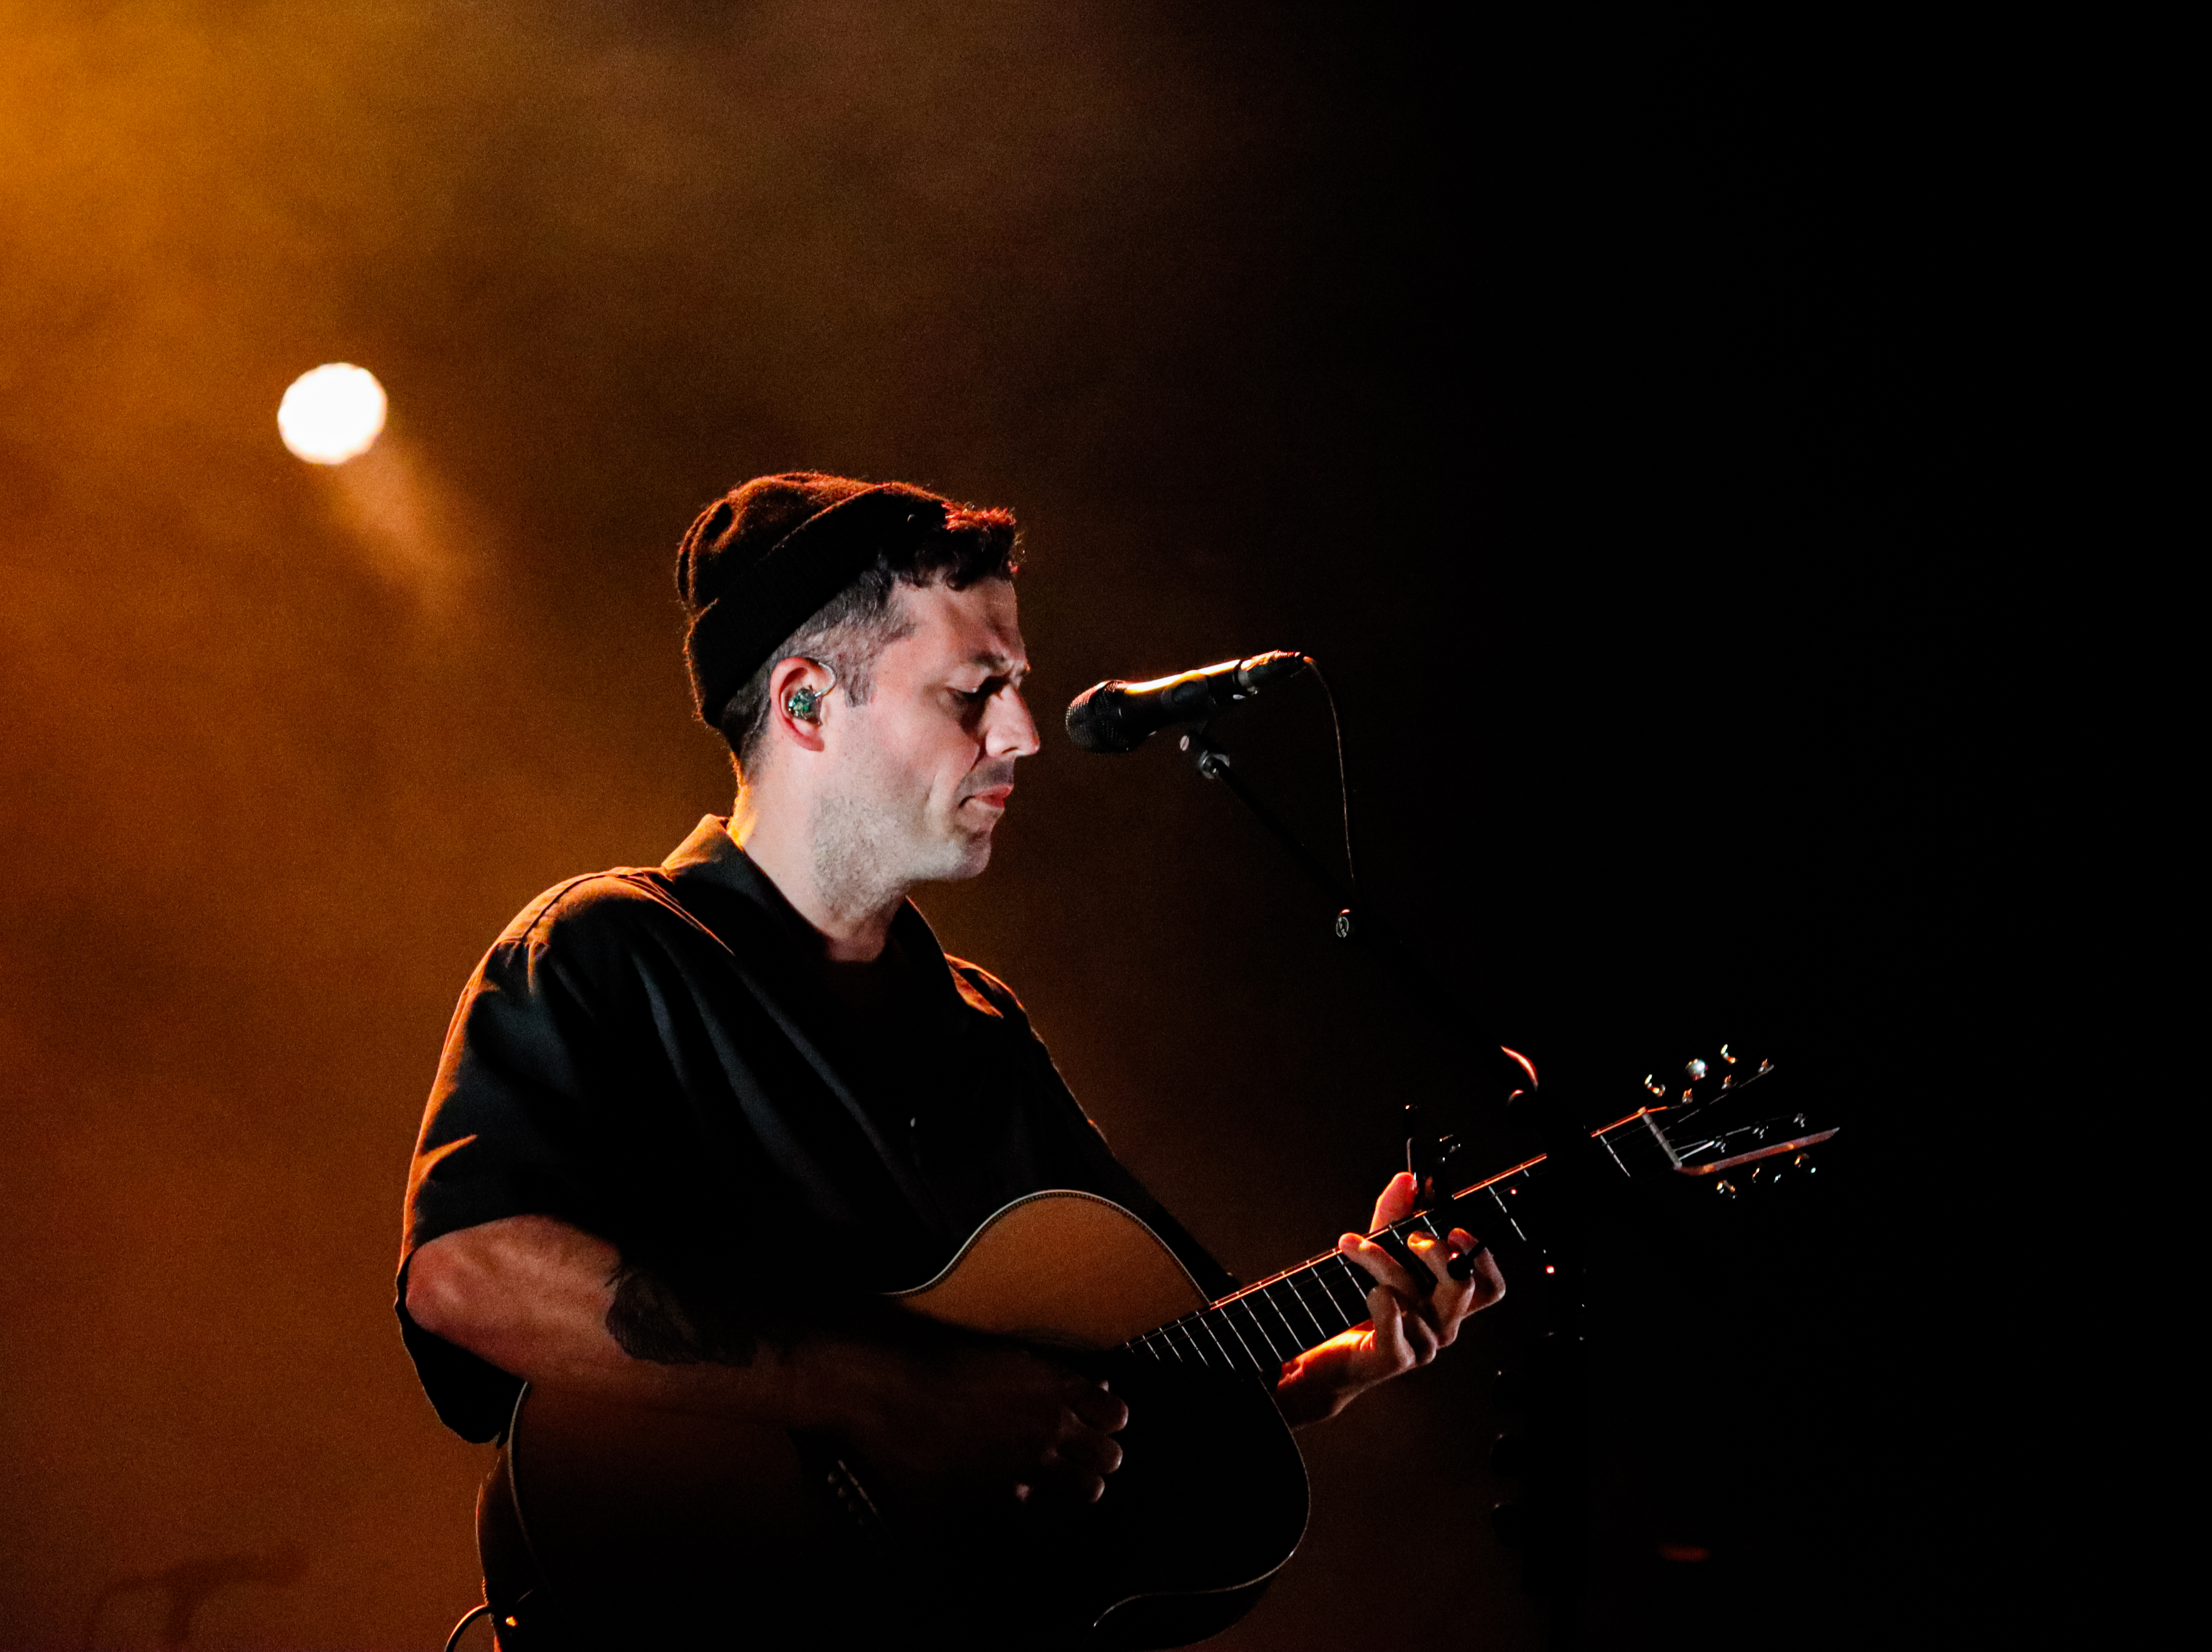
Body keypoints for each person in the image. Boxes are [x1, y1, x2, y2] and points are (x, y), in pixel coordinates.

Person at [397, 472, 1505, 1643]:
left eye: (1014, 687)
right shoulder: (613, 948)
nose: (1022, 733)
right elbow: (465, 1273)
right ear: (807, 703)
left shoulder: (979, 1023)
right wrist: (899, 1396)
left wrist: (1343, 1360)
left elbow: (1137, 1370)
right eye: (975, 691)